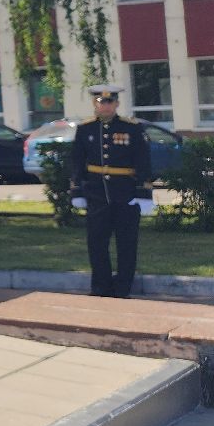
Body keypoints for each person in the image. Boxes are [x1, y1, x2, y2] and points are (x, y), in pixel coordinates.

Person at [70, 83, 153, 299]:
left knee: (126, 244)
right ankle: (101, 287)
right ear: (94, 104)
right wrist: (77, 190)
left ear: (116, 104)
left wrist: (144, 194)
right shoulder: (85, 129)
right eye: (100, 102)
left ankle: (123, 288)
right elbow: (77, 162)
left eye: (109, 102)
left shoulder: (132, 128)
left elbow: (143, 161)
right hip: (97, 194)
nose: (105, 106)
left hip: (126, 195)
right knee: (97, 243)